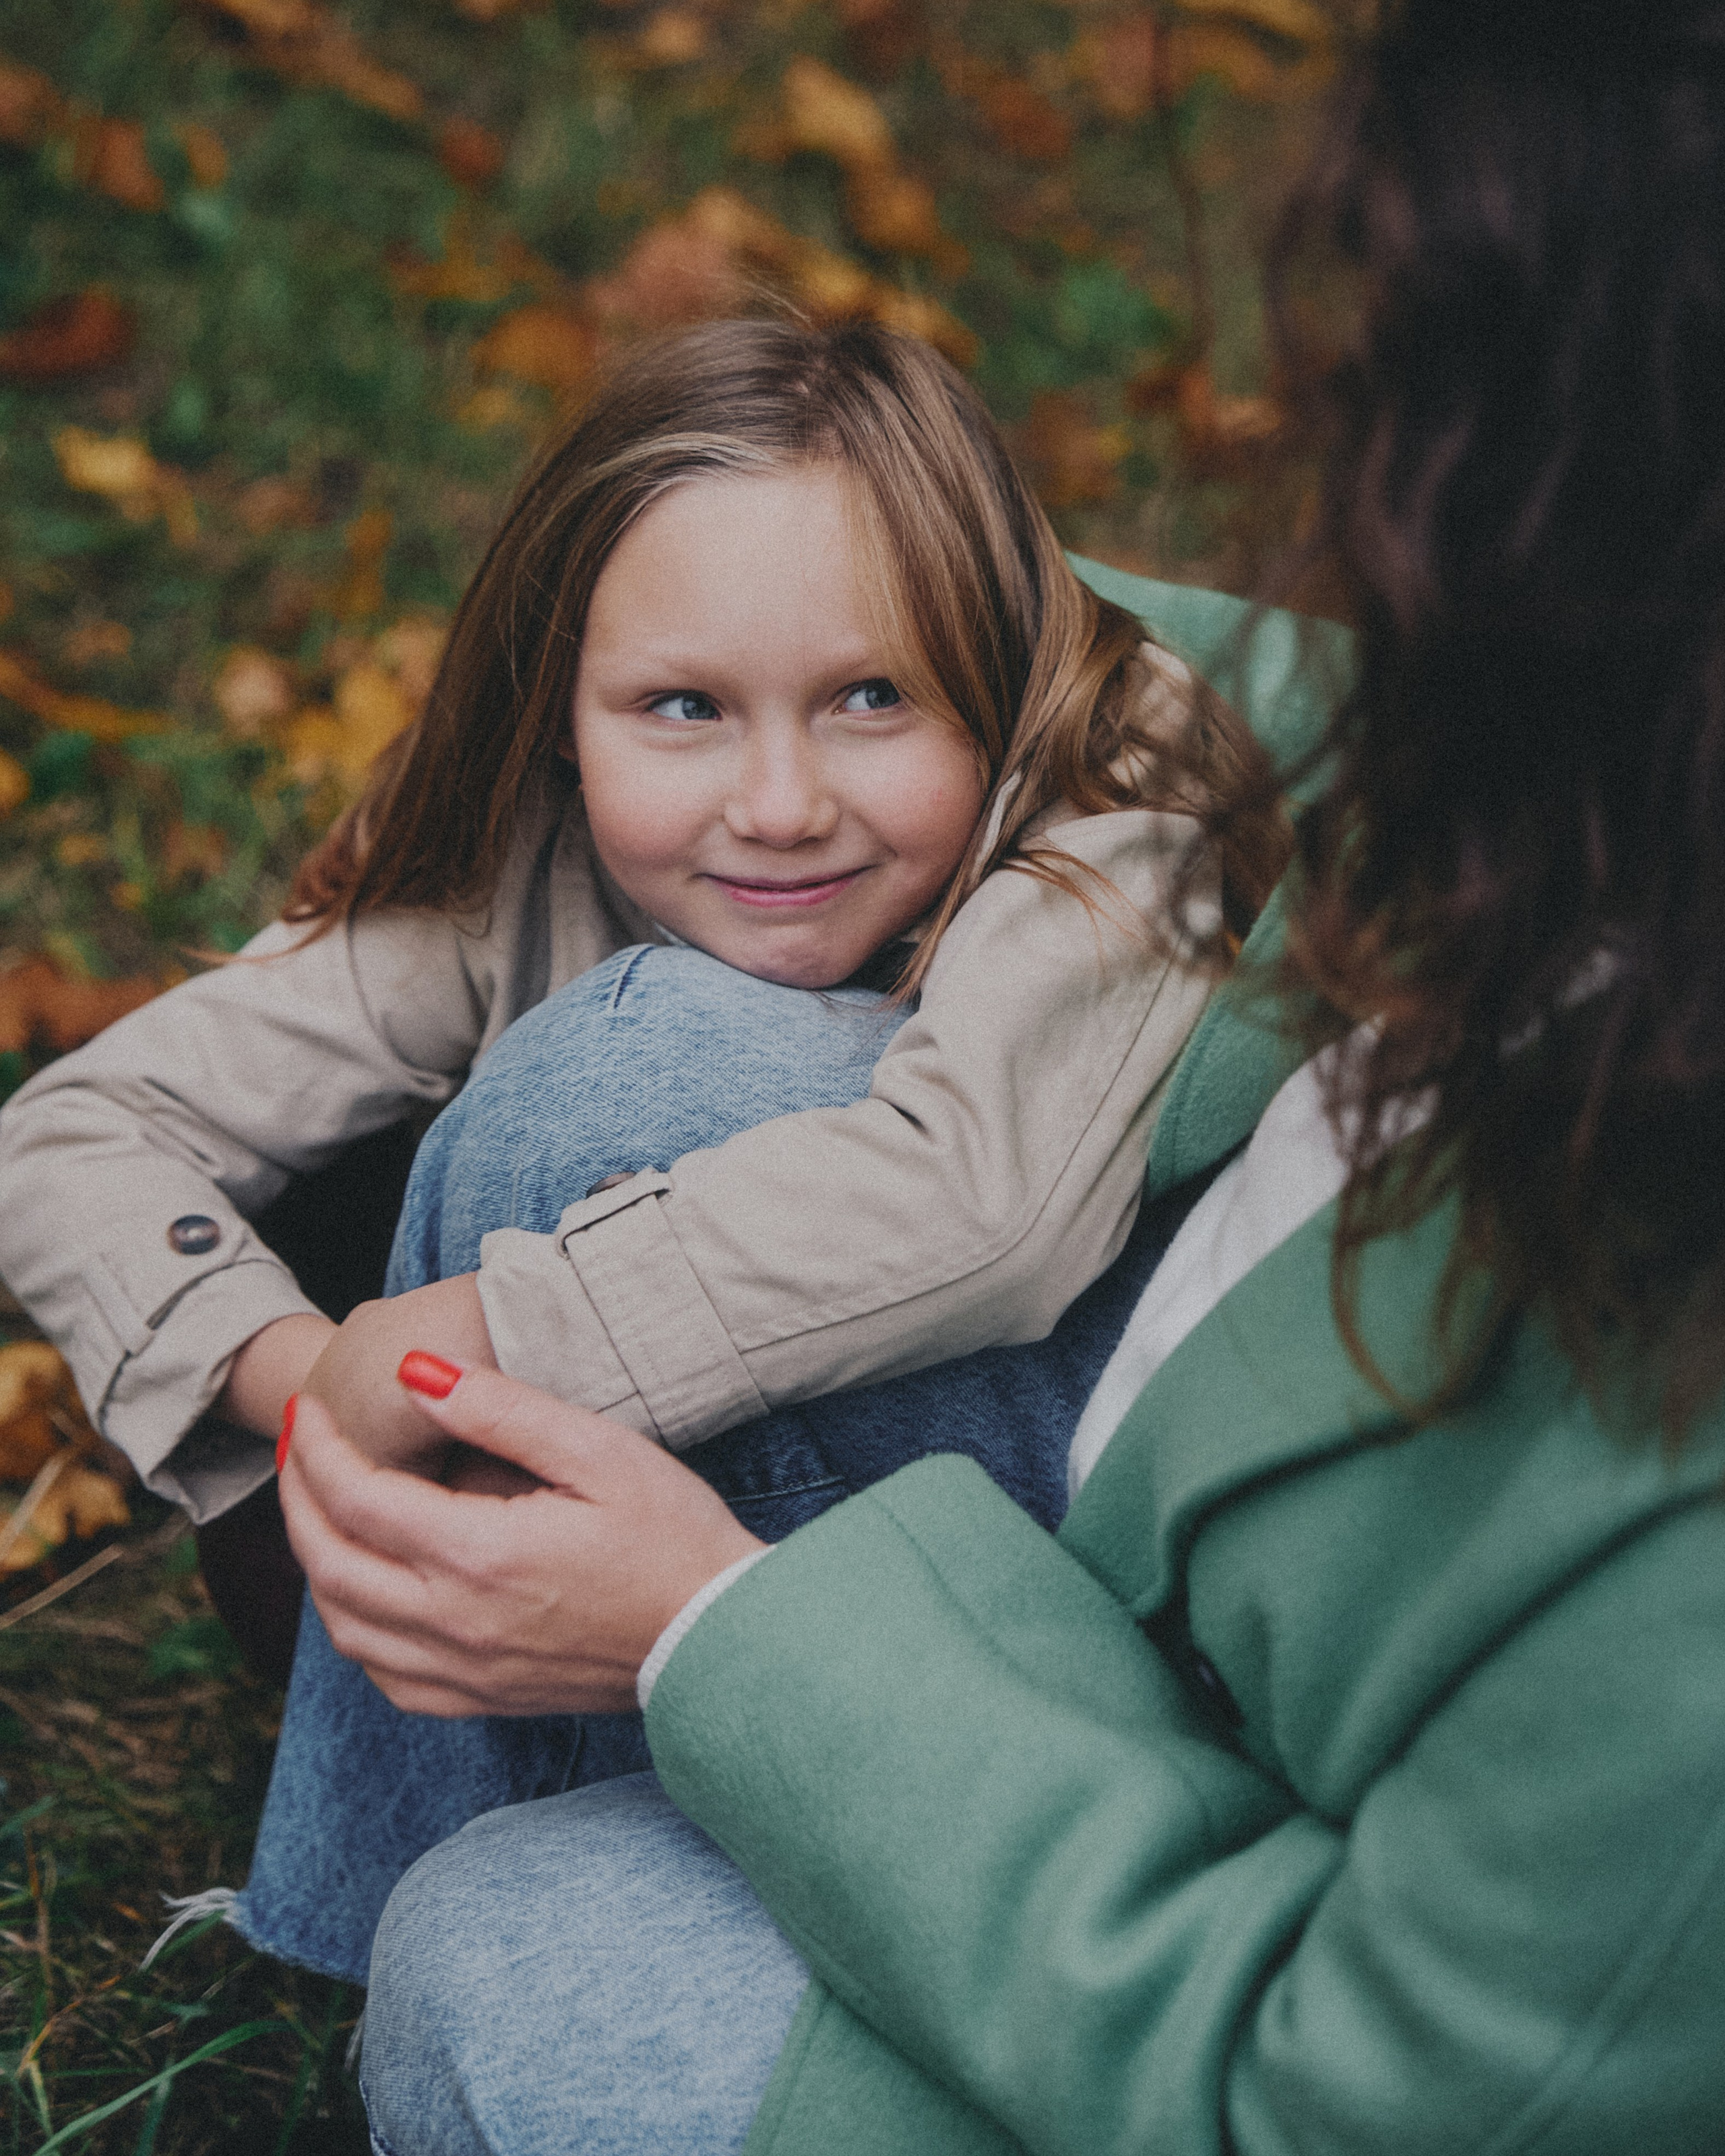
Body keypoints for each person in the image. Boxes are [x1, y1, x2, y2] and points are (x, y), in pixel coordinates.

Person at [283, 4, 1725, 2151]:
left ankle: (475, 1939)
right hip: (1258, 1511)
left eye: (1405, 379)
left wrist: (717, 1630)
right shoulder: (1608, 780)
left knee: (525, 1971)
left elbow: (1324, 2098)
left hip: (1262, 1953)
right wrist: (953, 620)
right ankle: (338, 1911)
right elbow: (1291, 713)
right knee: (637, 1078)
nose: (1321, 437)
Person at [0, 321, 1292, 1970]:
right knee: (438, 1160)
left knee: (636, 1060)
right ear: (561, 707)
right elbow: (78, 1128)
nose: (776, 802)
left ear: (1002, 671)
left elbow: (985, 1205)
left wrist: (478, 1338)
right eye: (681, 705)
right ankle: (485, 1912)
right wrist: (311, 1379)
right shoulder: (534, 849)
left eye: (872, 698)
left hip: (1093, 1535)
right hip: (726, 1540)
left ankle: (373, 1920)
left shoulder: (1121, 786)